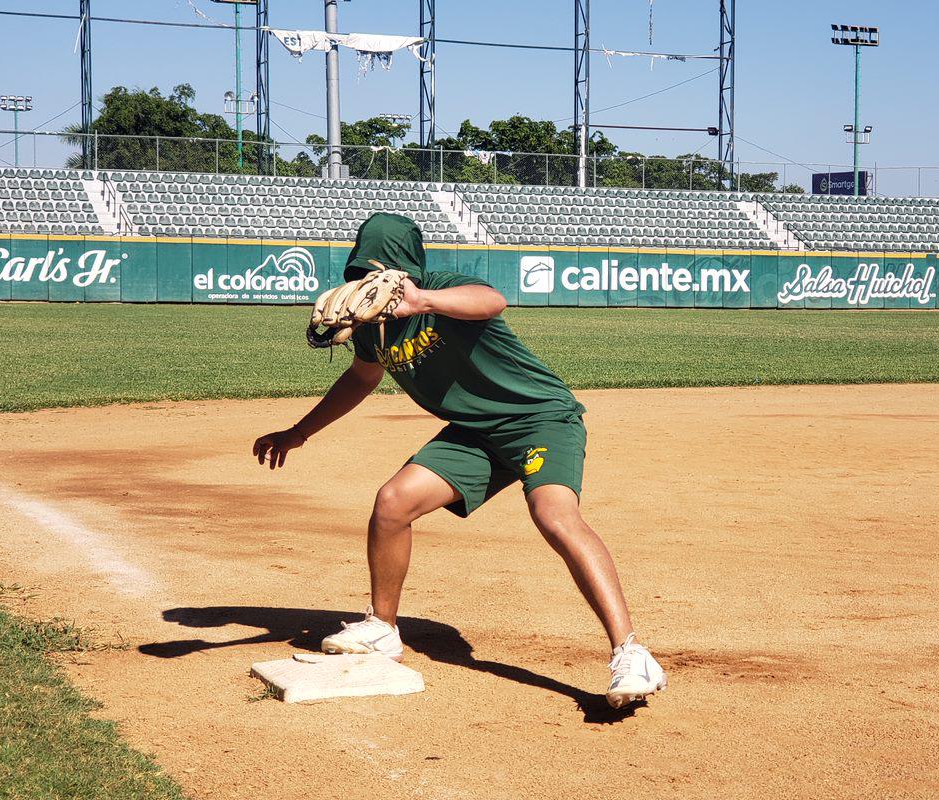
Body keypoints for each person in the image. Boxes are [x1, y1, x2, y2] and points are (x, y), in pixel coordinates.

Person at [252, 213, 665, 708]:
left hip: (538, 419)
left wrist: (421, 300)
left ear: (408, 268)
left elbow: (492, 301)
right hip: (474, 433)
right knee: (393, 502)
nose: (371, 280)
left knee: (554, 516)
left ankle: (630, 653)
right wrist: (298, 433)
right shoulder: (372, 327)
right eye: (363, 270)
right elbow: (361, 380)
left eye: (383, 269)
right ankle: (383, 627)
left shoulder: (443, 290)